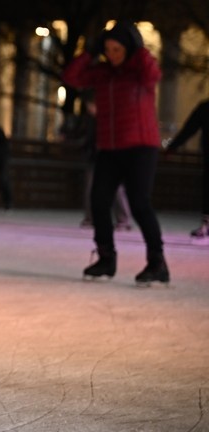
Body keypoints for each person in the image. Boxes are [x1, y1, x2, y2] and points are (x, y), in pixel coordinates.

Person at [61, 20, 169, 286]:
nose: (112, 54)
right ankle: (106, 258)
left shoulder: (140, 71)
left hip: (141, 146)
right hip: (110, 148)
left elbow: (153, 75)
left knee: (139, 203)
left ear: (129, 48)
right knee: (99, 201)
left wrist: (140, 48)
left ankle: (157, 263)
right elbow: (71, 77)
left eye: (117, 49)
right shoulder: (102, 73)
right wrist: (89, 52)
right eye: (107, 49)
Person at [77, 99, 133, 231]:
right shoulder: (90, 120)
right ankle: (90, 218)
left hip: (111, 155)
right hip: (95, 156)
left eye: (92, 105)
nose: (90, 109)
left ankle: (123, 219)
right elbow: (87, 137)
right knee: (90, 188)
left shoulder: (109, 118)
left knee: (116, 188)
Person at [164, 97, 209, 239]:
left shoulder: (205, 107)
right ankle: (206, 224)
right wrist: (173, 146)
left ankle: (206, 224)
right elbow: (190, 128)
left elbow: (190, 128)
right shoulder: (205, 107)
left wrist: (172, 147)